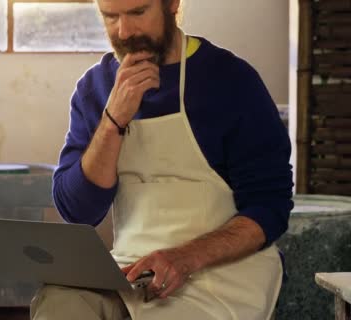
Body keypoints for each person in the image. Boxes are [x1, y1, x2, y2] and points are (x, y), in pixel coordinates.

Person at [30, 0, 294, 319]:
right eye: (110, 17)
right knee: (59, 301)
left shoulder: (231, 81)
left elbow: (270, 207)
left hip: (221, 278)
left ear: (172, 4)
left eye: (138, 12)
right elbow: (77, 211)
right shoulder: (95, 89)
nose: (124, 31)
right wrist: (113, 120)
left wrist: (185, 258)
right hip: (131, 270)